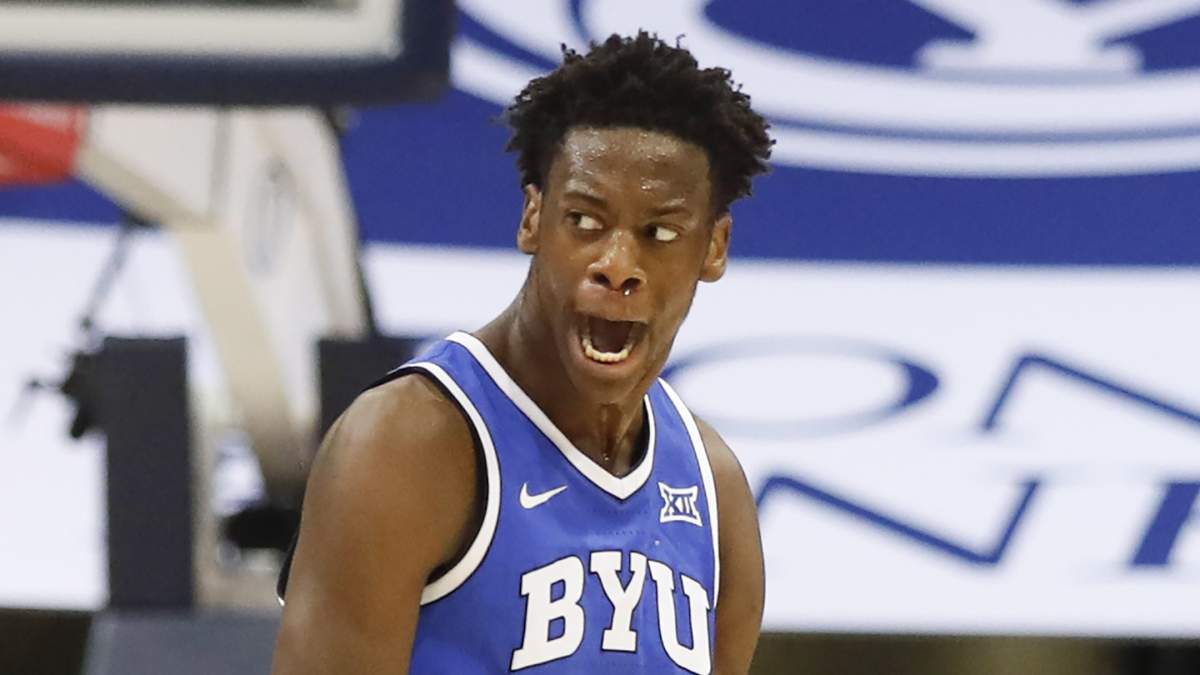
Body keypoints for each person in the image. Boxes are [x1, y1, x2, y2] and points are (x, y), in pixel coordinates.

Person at [271, 31, 772, 674]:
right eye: (584, 221)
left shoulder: (714, 488)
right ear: (533, 218)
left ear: (714, 247)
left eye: (659, 232)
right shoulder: (405, 447)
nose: (618, 264)